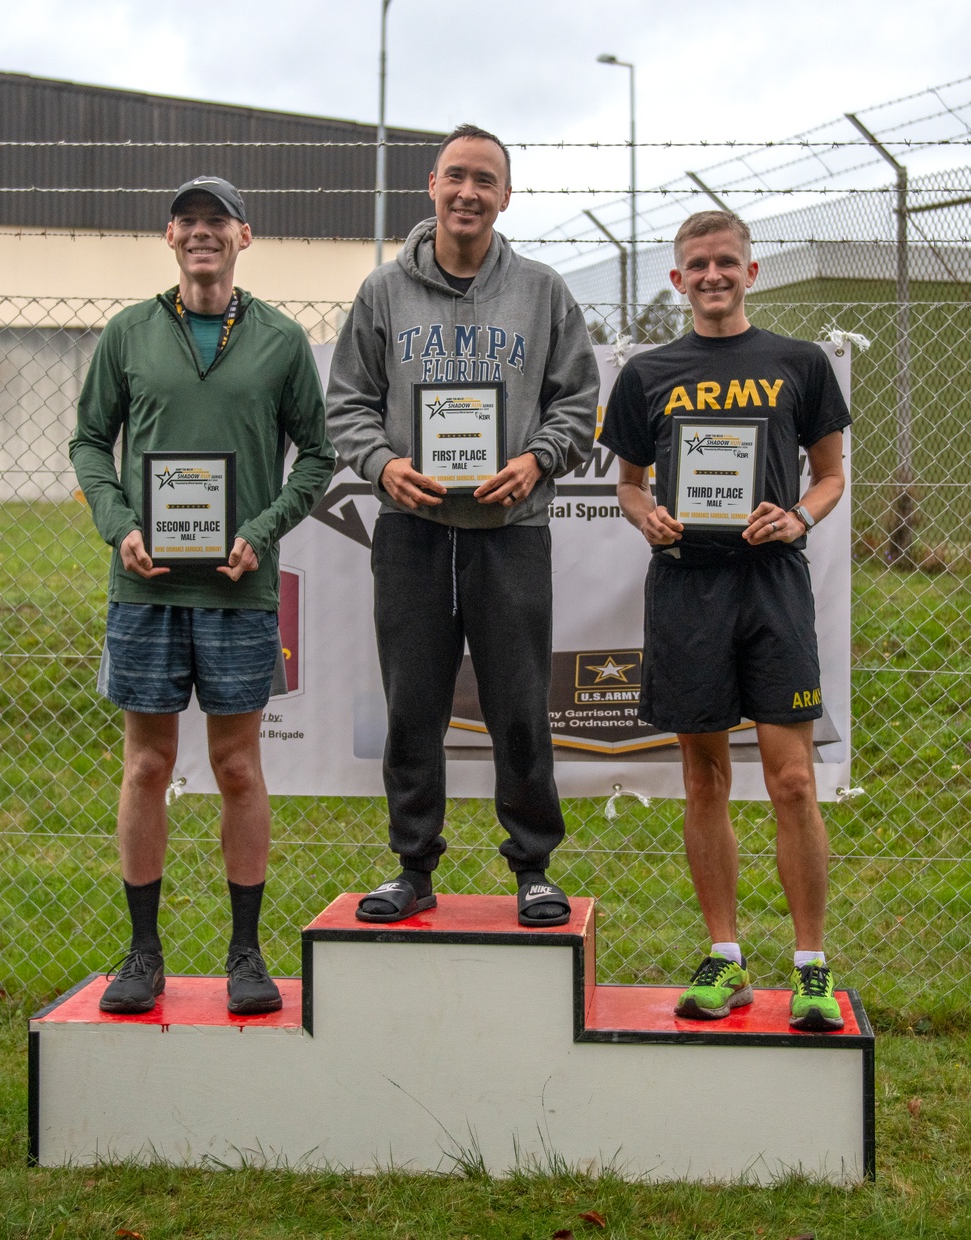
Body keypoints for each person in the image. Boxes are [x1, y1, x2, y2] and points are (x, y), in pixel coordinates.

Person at [71, 176, 334, 1015]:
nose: (200, 233)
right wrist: (120, 526)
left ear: (243, 237)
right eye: (187, 221)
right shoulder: (128, 334)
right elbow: (87, 441)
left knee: (236, 766)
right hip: (144, 587)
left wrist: (261, 529)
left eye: (215, 221)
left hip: (239, 590)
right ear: (170, 237)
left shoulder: (282, 341)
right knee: (146, 766)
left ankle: (245, 954)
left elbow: (319, 458)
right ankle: (142, 954)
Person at [326, 124, 599, 927]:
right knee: (413, 705)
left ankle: (534, 869)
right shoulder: (383, 293)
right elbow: (347, 402)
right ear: (432, 186)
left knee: (519, 702)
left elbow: (578, 400)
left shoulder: (544, 291)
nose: (469, 193)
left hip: (510, 529)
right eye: (456, 177)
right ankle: (412, 868)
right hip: (413, 532)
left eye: (486, 180)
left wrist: (540, 459)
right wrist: (383, 465)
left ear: (506, 196)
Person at [600, 210, 851, 1032]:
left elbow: (830, 476)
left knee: (792, 780)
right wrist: (648, 518)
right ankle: (726, 957)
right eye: (696, 266)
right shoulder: (647, 373)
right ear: (677, 281)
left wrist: (800, 520)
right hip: (687, 591)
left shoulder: (799, 363)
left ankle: (811, 966)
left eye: (726, 263)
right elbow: (628, 484)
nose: (712, 276)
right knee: (704, 779)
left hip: (773, 585)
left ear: (752, 271)